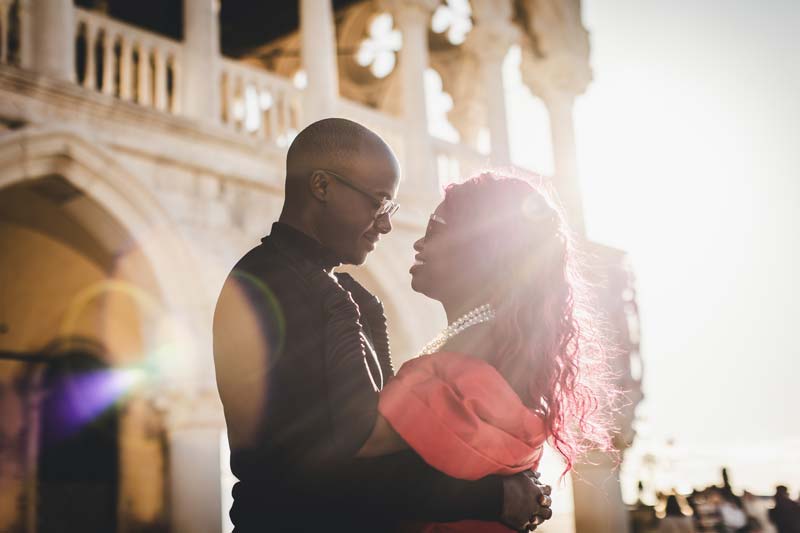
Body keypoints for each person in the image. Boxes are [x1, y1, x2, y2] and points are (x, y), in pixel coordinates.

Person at [213, 119, 552, 532]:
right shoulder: (269, 284)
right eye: (378, 202)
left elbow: (376, 450)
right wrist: (495, 497)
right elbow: (304, 471)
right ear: (321, 187)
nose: (387, 224)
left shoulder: (340, 292)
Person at [354, 173, 615, 531]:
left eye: (435, 227)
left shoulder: (448, 376)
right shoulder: (508, 359)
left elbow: (339, 461)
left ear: (484, 251)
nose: (418, 242)